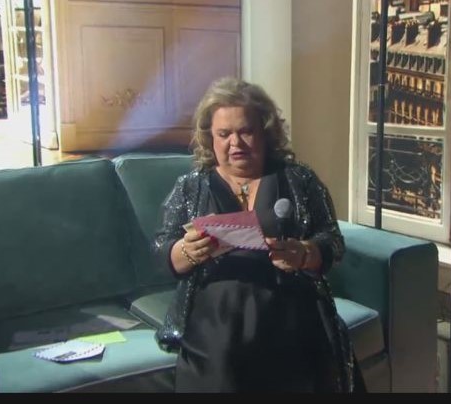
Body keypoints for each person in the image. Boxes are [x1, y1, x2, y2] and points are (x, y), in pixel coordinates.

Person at [153, 77, 363, 393]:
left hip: (290, 312)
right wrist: (186, 251)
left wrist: (305, 253)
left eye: (245, 131)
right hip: (216, 321)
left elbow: (332, 240)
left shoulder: (299, 179)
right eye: (224, 134)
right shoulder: (190, 187)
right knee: (223, 357)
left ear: (265, 132)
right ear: (210, 138)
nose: (235, 143)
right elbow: (162, 251)